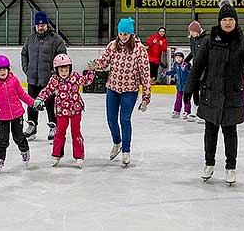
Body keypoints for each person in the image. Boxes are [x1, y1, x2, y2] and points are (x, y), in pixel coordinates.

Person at [184, 0, 244, 185]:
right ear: (219, 21)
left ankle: (230, 167)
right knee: (210, 131)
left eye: (230, 19)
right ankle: (209, 164)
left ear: (236, 21)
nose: (227, 22)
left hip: (232, 94)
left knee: (230, 131)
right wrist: (188, 90)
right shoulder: (210, 41)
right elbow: (197, 67)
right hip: (211, 92)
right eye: (224, 19)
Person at [94, 17, 151, 167]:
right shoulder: (113, 46)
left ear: (131, 34)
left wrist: (146, 96)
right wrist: (95, 65)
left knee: (124, 119)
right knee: (111, 119)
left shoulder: (139, 49)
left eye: (126, 34)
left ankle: (126, 151)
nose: (123, 37)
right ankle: (117, 142)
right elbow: (103, 62)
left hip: (130, 90)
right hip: (113, 88)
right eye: (121, 33)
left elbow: (145, 73)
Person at [34, 54, 95, 168]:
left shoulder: (75, 76)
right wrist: (40, 98)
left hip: (75, 110)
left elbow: (86, 81)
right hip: (61, 111)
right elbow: (47, 90)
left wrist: (91, 71)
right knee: (60, 133)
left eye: (66, 69)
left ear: (70, 69)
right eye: (61, 70)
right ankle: (56, 154)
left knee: (76, 133)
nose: (64, 72)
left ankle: (79, 155)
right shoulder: (54, 80)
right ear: (56, 70)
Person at [0, 55, 38, 173]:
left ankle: (25, 150)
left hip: (17, 115)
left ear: (8, 69)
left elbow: (22, 95)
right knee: (2, 139)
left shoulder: (14, 80)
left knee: (19, 137)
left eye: (4, 69)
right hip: (2, 116)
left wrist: (33, 103)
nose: (2, 71)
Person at [21, 11, 67, 142]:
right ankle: (32, 126)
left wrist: (55, 74)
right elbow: (24, 54)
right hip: (33, 78)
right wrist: (26, 69)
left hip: (49, 80)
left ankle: (53, 127)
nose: (40, 27)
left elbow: (62, 57)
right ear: (35, 26)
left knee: (51, 103)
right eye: (38, 25)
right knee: (31, 103)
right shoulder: (30, 38)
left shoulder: (56, 39)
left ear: (47, 25)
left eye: (43, 25)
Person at [184, 20, 207, 124]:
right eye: (191, 32)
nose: (192, 34)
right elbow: (193, 53)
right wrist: (185, 61)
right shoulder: (192, 39)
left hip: (205, 69)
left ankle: (203, 113)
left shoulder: (206, 39)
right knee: (194, 89)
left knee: (203, 90)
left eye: (193, 32)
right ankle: (196, 109)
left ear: (198, 31)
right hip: (195, 68)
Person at [161, 50, 191, 119]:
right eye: (177, 57)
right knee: (178, 99)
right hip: (179, 86)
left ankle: (187, 111)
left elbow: (190, 73)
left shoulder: (186, 65)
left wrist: (185, 70)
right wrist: (166, 73)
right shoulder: (175, 64)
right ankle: (177, 111)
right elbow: (173, 71)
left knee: (186, 99)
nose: (178, 59)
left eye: (180, 57)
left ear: (183, 58)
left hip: (186, 85)